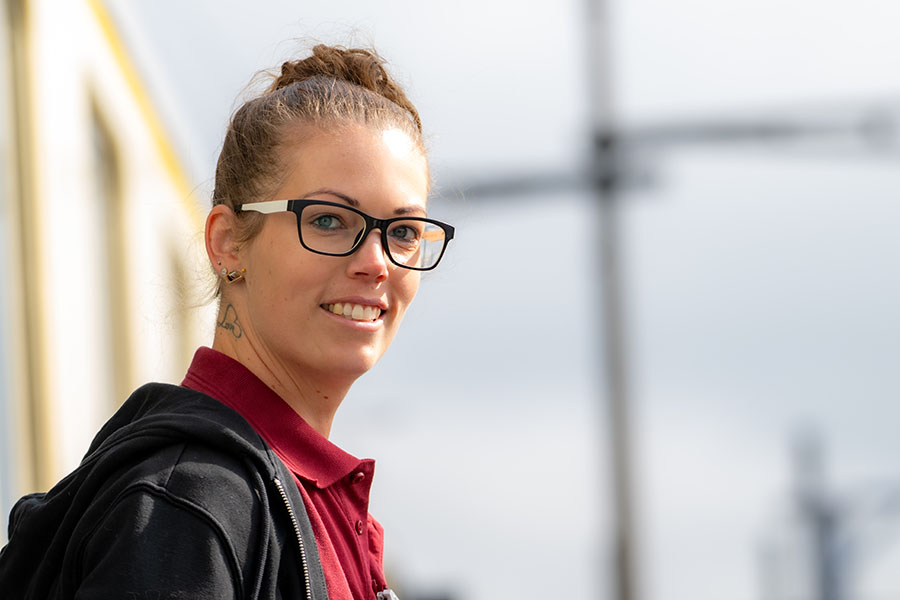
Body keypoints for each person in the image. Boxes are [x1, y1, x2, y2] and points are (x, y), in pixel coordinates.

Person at [0, 44, 454, 600]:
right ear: (227, 243)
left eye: (403, 232)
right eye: (329, 220)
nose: (376, 262)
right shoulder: (190, 506)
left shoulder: (297, 501)